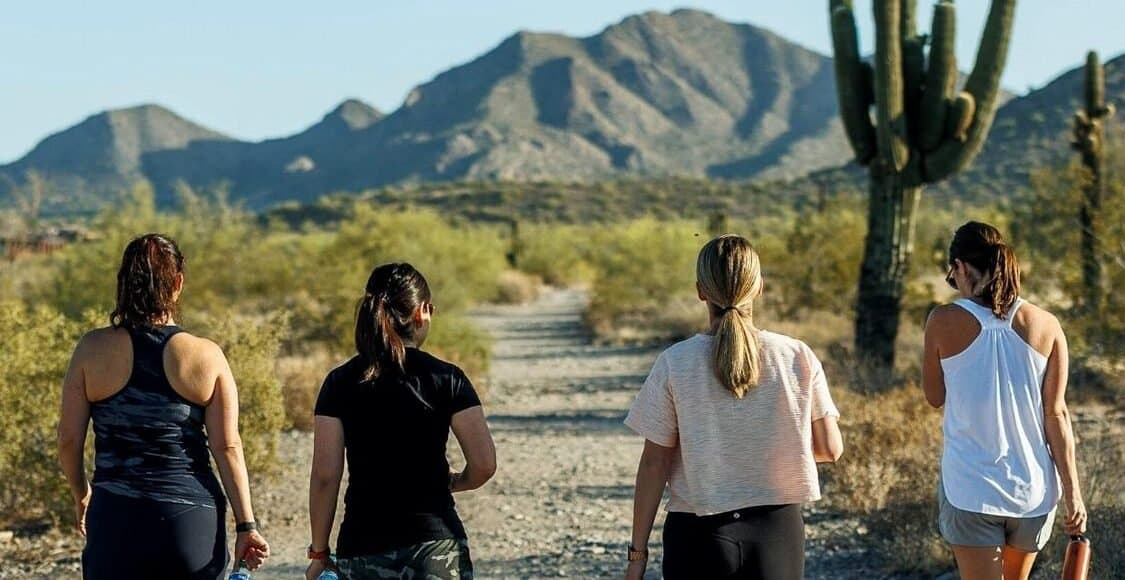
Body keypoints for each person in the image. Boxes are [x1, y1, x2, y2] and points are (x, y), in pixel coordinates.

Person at [624, 234, 843, 580]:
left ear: (701, 291)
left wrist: (637, 557)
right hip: (777, 534)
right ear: (758, 288)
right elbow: (830, 449)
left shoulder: (675, 363)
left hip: (697, 536)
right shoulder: (797, 355)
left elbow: (655, 464)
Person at [57, 233, 270, 579]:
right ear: (178, 283)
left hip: (115, 514)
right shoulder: (206, 355)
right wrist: (247, 524)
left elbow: (68, 439)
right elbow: (227, 445)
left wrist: (82, 493)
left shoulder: (90, 350)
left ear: (123, 283)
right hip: (189, 518)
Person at [306, 262, 496, 580]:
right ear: (422, 312)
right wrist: (454, 481)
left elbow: (326, 476)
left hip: (362, 545)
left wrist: (320, 552)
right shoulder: (446, 378)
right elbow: (484, 464)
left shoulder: (339, 382)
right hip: (435, 544)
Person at [923, 221, 1087, 580]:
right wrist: (1074, 495)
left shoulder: (942, 320)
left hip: (971, 488)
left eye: (953, 274)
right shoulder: (1047, 324)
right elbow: (1057, 414)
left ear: (961, 267)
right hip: (1032, 491)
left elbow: (934, 397)